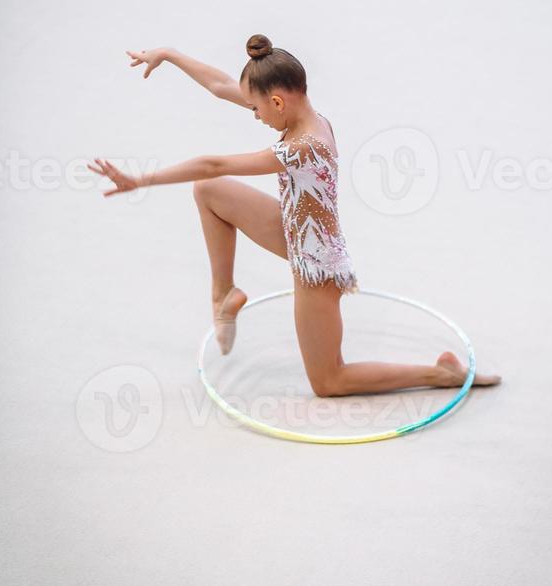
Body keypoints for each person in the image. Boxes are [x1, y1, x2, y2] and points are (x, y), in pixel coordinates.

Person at [87, 34, 501, 397]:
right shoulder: (307, 115)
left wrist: (142, 180)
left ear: (279, 101)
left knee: (329, 382)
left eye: (256, 109)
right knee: (210, 192)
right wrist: (170, 54)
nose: (255, 115)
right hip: (293, 227)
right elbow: (218, 86)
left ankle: (439, 373)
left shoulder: (304, 147)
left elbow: (214, 163)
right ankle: (224, 293)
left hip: (317, 266)